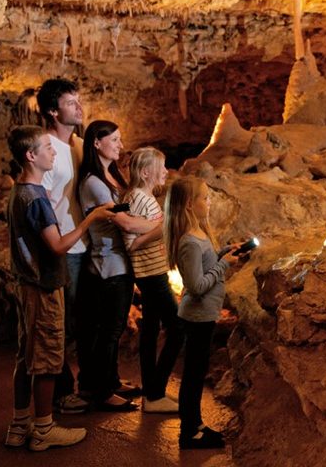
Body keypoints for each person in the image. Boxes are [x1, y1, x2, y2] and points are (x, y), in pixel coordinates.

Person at [4, 125, 113, 451]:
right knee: (48, 359)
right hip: (44, 286)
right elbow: (57, 245)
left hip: (26, 284)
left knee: (26, 357)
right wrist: (90, 220)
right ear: (31, 155)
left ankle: (19, 424)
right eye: (47, 149)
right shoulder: (36, 198)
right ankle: (43, 428)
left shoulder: (18, 191)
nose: (54, 153)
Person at [76, 120, 154, 411]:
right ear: (97, 142)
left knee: (114, 328)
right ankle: (101, 390)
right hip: (108, 265)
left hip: (120, 261)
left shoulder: (112, 177)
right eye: (116, 140)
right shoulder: (94, 183)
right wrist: (160, 224)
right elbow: (124, 220)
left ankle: (111, 379)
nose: (121, 145)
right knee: (108, 331)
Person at [164, 176, 241, 449]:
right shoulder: (189, 242)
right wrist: (223, 266)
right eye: (205, 198)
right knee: (194, 376)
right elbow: (196, 286)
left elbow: (204, 265)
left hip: (205, 315)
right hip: (197, 316)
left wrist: (222, 254)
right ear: (189, 204)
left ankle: (196, 426)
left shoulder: (199, 235)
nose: (209, 202)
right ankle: (189, 433)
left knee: (197, 373)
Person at [36, 78, 90, 415]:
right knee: (60, 323)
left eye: (79, 100)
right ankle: (59, 391)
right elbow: (37, 200)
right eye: (71, 102)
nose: (79, 107)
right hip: (60, 248)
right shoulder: (44, 150)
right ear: (54, 111)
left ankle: (91, 382)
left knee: (84, 319)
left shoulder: (81, 146)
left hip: (84, 245)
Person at [122, 147, 183, 414]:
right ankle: (155, 390)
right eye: (162, 166)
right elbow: (131, 244)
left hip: (155, 271)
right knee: (178, 329)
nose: (166, 171)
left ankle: (153, 394)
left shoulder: (144, 197)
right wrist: (162, 230)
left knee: (150, 331)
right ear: (146, 172)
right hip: (150, 274)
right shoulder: (136, 198)